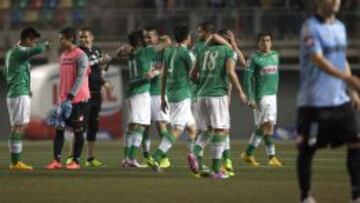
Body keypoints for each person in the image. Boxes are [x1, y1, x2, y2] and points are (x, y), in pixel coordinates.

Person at [296, 0, 360, 202]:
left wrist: (352, 91)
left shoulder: (340, 27)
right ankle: (306, 196)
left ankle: (356, 194)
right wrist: (348, 79)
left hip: (339, 101)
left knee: (356, 142)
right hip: (314, 103)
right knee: (307, 149)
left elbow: (342, 59)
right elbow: (317, 59)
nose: (335, 1)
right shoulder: (310, 27)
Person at [191, 29, 247, 179]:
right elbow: (230, 72)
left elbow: (192, 75)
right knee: (220, 130)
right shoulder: (228, 51)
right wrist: (240, 92)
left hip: (200, 96)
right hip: (217, 96)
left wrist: (203, 83)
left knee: (207, 131)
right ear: (228, 39)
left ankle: (194, 153)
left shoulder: (203, 51)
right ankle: (216, 170)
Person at [147, 24, 198, 173]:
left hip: (171, 95)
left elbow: (163, 76)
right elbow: (194, 75)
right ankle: (156, 157)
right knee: (177, 129)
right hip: (182, 96)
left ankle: (193, 156)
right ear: (188, 38)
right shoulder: (186, 54)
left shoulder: (168, 52)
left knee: (192, 128)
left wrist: (163, 97)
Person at [121, 30, 170, 168]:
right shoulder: (145, 52)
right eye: (144, 38)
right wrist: (162, 37)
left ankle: (126, 158)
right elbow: (166, 42)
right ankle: (131, 158)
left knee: (131, 126)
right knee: (141, 125)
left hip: (130, 92)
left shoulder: (131, 54)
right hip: (141, 92)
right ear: (140, 41)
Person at [64, 27, 112, 168]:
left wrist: (106, 63)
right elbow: (86, 70)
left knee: (93, 127)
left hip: (96, 94)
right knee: (79, 126)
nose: (83, 39)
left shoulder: (97, 50)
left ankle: (90, 158)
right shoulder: (78, 52)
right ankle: (71, 156)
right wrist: (98, 61)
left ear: (92, 37)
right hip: (84, 94)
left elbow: (100, 69)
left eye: (85, 37)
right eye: (81, 37)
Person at [4, 27, 49, 170]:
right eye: (34, 41)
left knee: (17, 126)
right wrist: (46, 45)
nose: (35, 44)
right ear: (27, 40)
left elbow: (6, 73)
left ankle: (15, 161)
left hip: (16, 92)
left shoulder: (11, 52)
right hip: (18, 93)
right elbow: (38, 51)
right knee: (19, 126)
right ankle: (16, 162)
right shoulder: (20, 51)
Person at [46, 27, 90, 170]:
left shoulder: (81, 55)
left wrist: (71, 96)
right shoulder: (63, 55)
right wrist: (62, 98)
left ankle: (75, 161)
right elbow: (64, 79)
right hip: (64, 100)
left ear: (70, 38)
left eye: (62, 38)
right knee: (59, 129)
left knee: (78, 130)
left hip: (78, 99)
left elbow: (80, 77)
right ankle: (56, 161)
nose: (60, 41)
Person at [241, 32, 283, 167]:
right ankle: (268, 156)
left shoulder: (275, 56)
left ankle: (251, 154)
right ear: (258, 43)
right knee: (266, 125)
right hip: (261, 96)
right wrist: (250, 97)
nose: (265, 43)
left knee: (266, 126)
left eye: (268, 40)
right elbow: (247, 79)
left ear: (271, 42)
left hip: (272, 95)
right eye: (262, 41)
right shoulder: (253, 58)